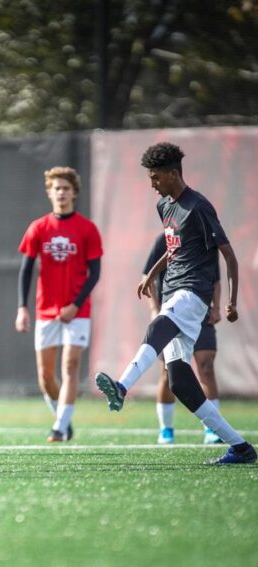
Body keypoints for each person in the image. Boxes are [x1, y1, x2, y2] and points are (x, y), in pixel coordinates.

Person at [95, 142, 256, 465]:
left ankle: (122, 386)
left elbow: (229, 256)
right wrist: (151, 274)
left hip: (193, 292)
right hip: (172, 291)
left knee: (158, 326)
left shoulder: (199, 207)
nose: (151, 183)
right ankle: (240, 447)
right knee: (180, 381)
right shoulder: (164, 207)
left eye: (155, 177)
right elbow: (174, 250)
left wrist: (231, 302)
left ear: (172, 174)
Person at [15, 167, 103, 442]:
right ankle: (63, 419)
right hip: (46, 310)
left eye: (66, 188)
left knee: (71, 366)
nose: (61, 192)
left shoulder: (87, 229)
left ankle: (59, 427)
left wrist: (76, 305)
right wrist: (22, 308)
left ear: (74, 192)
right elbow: (26, 270)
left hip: (77, 311)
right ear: (49, 192)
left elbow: (95, 273)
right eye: (57, 188)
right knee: (45, 377)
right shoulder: (38, 228)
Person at [143, 233, 224, 445]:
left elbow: (215, 279)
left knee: (206, 367)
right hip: (172, 314)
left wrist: (216, 306)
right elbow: (148, 277)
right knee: (168, 371)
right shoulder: (164, 240)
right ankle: (166, 429)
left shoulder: (208, 242)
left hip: (200, 312)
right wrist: (154, 309)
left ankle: (212, 429)